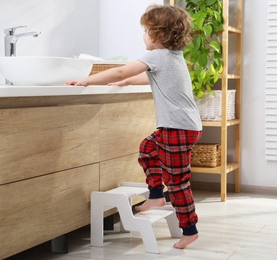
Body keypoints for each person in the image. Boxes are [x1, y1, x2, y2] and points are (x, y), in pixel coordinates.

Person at [66, 4, 202, 249]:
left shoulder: (156, 55)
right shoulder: (171, 57)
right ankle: (156, 196)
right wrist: (128, 81)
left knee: (177, 180)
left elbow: (120, 71)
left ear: (158, 35)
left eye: (146, 31)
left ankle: (189, 229)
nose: (144, 36)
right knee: (148, 149)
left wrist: (86, 80)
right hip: (183, 126)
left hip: (176, 128)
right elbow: (146, 76)